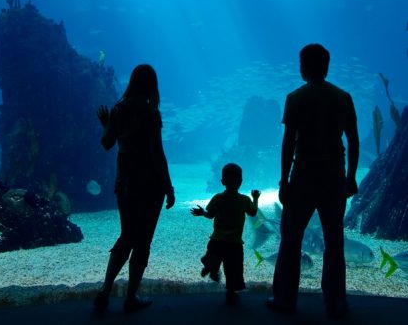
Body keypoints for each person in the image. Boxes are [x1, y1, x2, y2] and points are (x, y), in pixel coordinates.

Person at [266, 44, 359, 318]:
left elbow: (288, 143)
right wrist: (351, 176)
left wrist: (284, 180)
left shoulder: (296, 97)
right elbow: (352, 141)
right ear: (327, 67)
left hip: (303, 176)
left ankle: (284, 298)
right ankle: (335, 302)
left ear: (304, 66)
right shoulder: (343, 97)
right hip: (333, 177)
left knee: (291, 239)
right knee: (334, 241)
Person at [94, 64, 175, 313]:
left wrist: (108, 124)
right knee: (143, 241)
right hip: (150, 185)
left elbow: (107, 143)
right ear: (152, 85)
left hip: (126, 183)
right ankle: (131, 297)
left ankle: (105, 291)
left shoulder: (119, 109)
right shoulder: (151, 113)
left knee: (127, 235)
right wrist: (168, 185)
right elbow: (156, 153)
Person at [191, 163, 260, 304]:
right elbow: (253, 213)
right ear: (240, 182)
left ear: (222, 181)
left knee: (215, 256)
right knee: (233, 269)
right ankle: (230, 292)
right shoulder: (244, 200)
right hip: (234, 243)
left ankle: (209, 263)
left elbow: (210, 215)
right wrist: (256, 198)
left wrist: (201, 212)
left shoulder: (217, 198)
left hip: (217, 240)